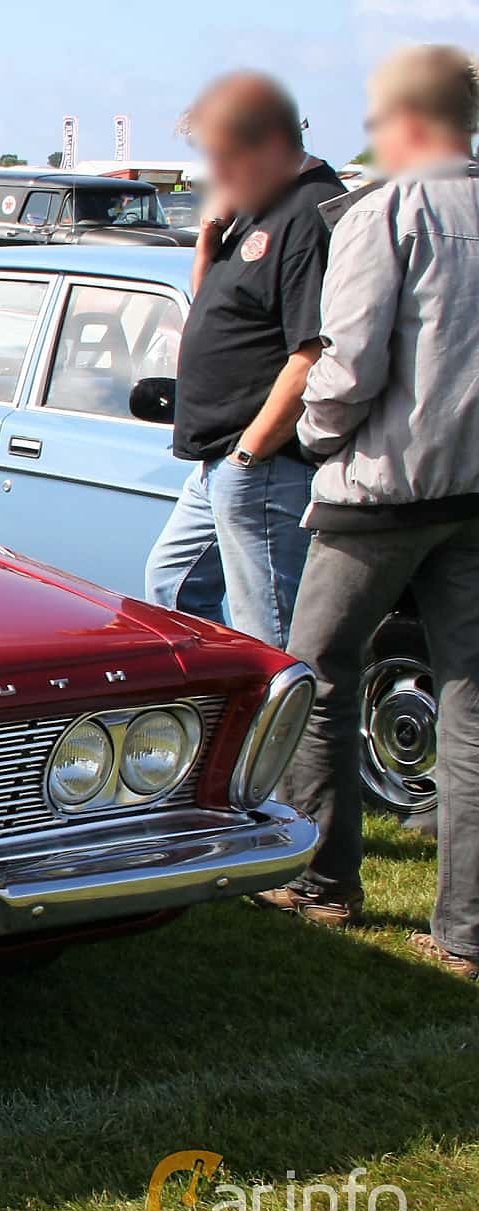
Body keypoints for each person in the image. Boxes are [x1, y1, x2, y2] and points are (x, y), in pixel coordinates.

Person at [258, 45, 479, 968]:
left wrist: (315, 435)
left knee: (315, 673)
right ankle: (465, 931)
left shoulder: (390, 209)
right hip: (475, 489)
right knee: (470, 705)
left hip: (383, 488)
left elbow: (348, 362)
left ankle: (323, 881)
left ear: (409, 124)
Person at [143, 71, 345, 647]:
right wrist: (209, 231)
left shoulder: (309, 215)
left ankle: (283, 736)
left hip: (262, 464)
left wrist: (250, 455)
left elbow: (313, 352)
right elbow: (209, 304)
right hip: (221, 463)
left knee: (270, 635)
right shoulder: (258, 209)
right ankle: (208, 725)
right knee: (171, 590)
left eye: (224, 157)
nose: (216, 173)